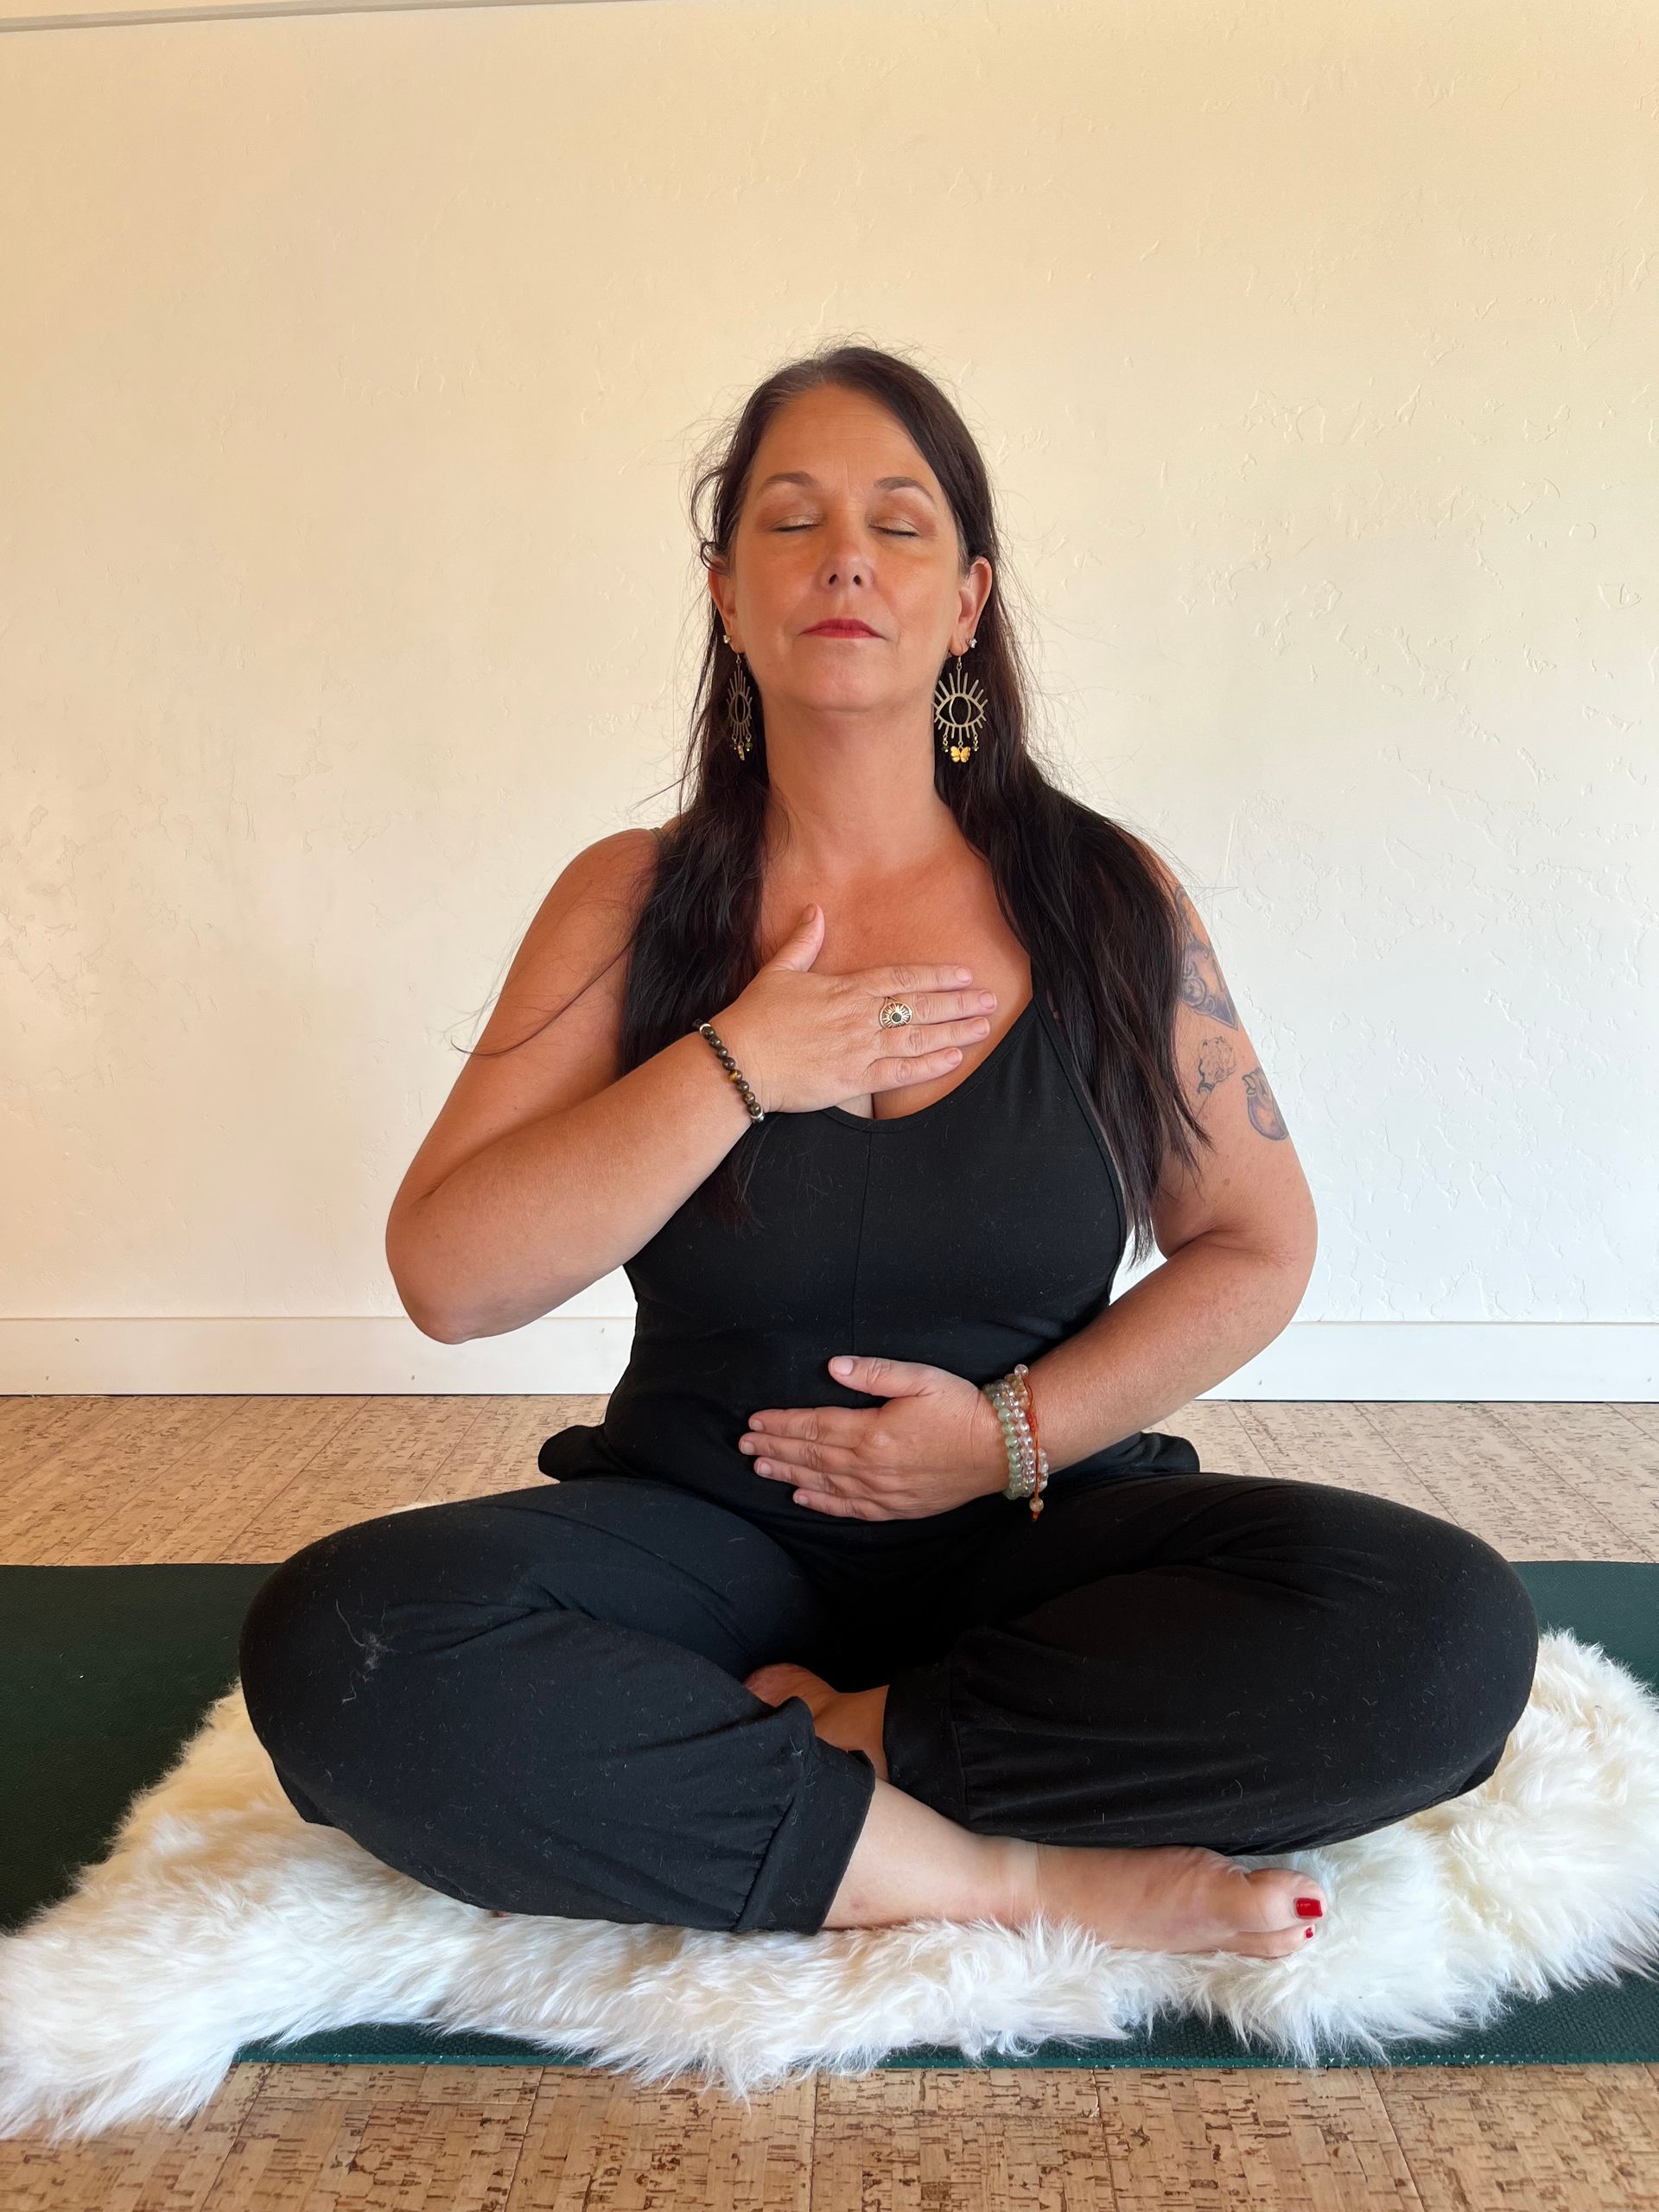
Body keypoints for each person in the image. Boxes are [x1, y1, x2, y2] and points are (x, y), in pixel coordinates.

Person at [238, 344, 1539, 1957]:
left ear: (969, 598)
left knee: (1444, 1635)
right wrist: (735, 1064)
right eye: (791, 521)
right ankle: (1018, 1878)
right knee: (342, 1646)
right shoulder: (630, 900)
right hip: (698, 1536)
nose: (845, 555)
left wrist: (1007, 1434)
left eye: (899, 523)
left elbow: (1256, 1245)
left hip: (1034, 1538)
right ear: (726, 594)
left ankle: (850, 1748)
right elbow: (450, 1280)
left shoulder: (1109, 900)